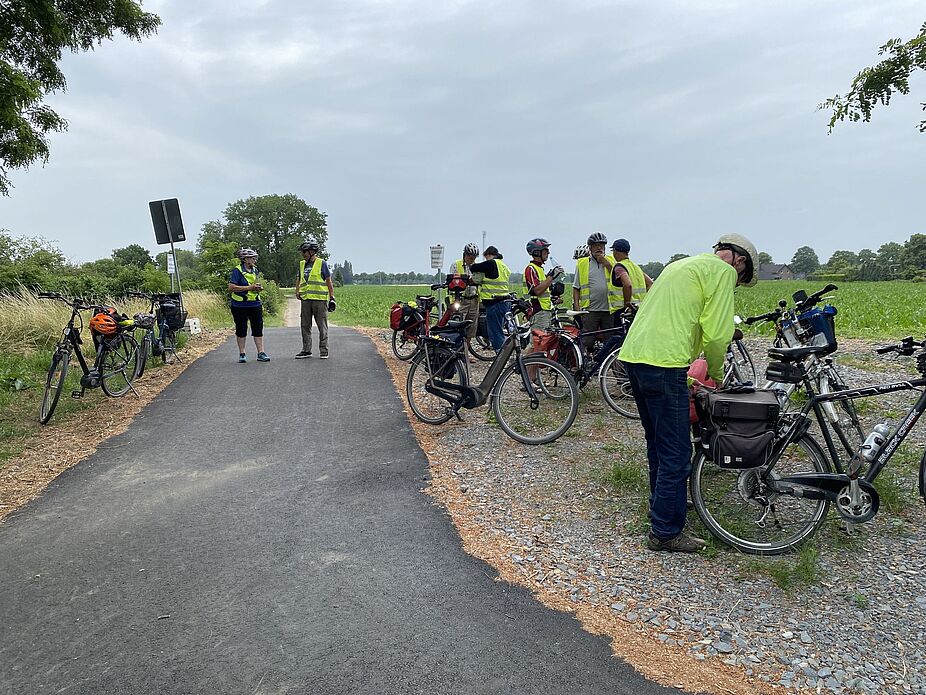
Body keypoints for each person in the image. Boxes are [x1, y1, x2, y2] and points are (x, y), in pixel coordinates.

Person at [618, 233, 759, 553]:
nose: (736, 283)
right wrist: (717, 374)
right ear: (739, 261)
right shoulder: (723, 272)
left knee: (658, 442)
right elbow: (717, 333)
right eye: (741, 279)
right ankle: (665, 532)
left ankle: (662, 507)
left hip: (634, 358)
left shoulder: (681, 265)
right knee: (678, 451)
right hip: (664, 364)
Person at [572, 232, 620, 352]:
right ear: (590, 247)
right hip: (590, 309)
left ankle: (606, 362)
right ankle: (586, 360)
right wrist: (577, 307)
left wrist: (605, 262)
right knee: (587, 340)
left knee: (610, 340)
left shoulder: (612, 260)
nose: (599, 248)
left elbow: (618, 276)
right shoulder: (582, 263)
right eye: (596, 245)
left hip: (609, 308)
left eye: (602, 245)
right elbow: (576, 287)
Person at [295, 239, 335, 359]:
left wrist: (332, 297)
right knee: (305, 325)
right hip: (306, 299)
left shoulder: (321, 263)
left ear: (312, 252)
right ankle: (306, 350)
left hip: (319, 300)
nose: (302, 254)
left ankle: (324, 351)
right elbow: (299, 278)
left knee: (322, 326)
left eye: (304, 252)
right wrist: (297, 291)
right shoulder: (302, 264)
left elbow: (328, 281)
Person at [228, 248, 270, 363]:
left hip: (255, 303)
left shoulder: (254, 270)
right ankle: (242, 353)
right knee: (241, 329)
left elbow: (253, 285)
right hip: (239, 305)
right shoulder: (237, 271)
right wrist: (249, 288)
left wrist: (258, 288)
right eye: (252, 258)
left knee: (258, 328)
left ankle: (261, 353)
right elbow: (231, 287)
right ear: (245, 259)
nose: (255, 260)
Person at [468, 246, 511, 352]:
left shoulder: (492, 263)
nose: (486, 260)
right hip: (504, 302)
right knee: (499, 329)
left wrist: (471, 264)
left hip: (494, 302)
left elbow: (474, 268)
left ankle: (500, 356)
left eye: (486, 257)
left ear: (488, 255)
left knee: (495, 332)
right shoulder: (503, 266)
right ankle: (503, 352)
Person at [452, 243, 482, 361]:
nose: (472, 259)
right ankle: (455, 353)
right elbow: (452, 281)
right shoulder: (456, 265)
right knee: (458, 327)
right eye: (470, 256)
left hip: (474, 299)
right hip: (461, 300)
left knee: (471, 329)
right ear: (465, 255)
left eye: (474, 257)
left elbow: (480, 280)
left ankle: (464, 354)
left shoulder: (478, 267)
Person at [609, 238, 653, 310]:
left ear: (615, 251)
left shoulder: (619, 267)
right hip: (640, 309)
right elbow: (650, 283)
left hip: (623, 310)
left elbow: (627, 284)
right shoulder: (636, 267)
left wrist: (627, 303)